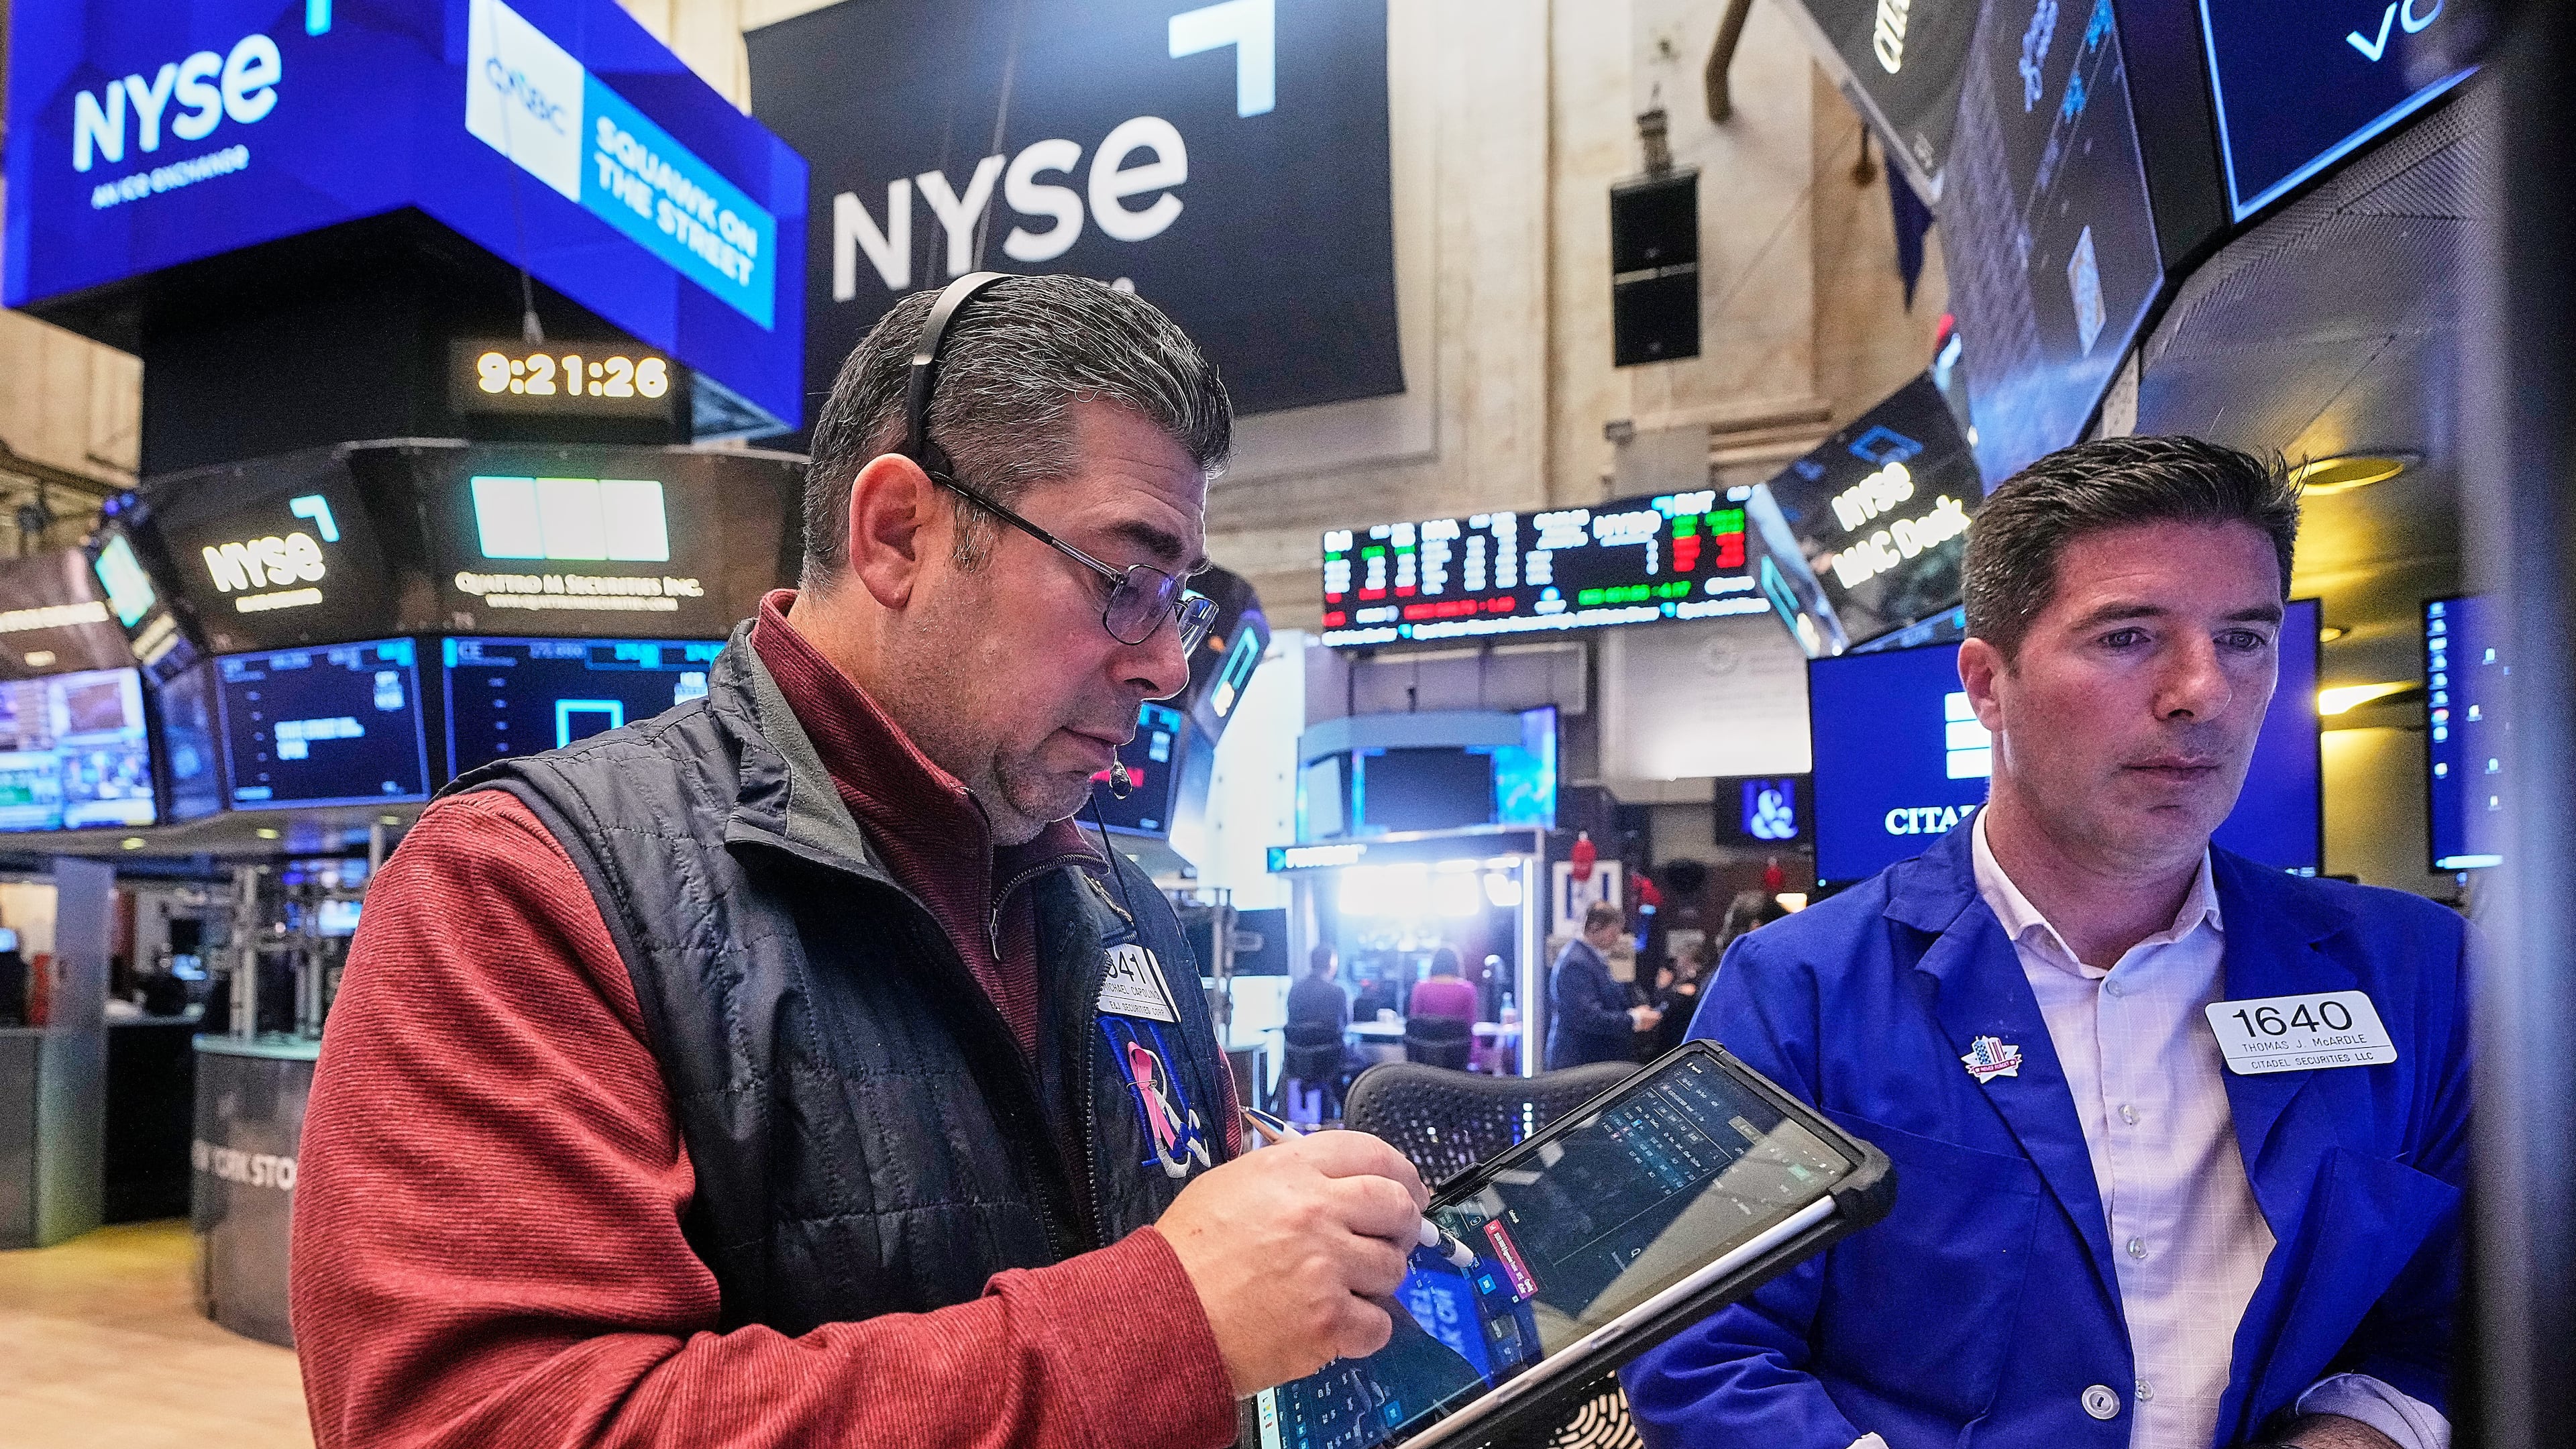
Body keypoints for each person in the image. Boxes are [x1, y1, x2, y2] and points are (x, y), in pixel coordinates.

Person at [290, 274, 1433, 1449]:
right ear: (898, 533)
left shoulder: (1118, 904)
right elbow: (487, 1424)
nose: (1165, 669)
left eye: (1177, 605)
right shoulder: (521, 890)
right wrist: (1163, 1319)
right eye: (1121, 580)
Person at [1627, 437, 2467, 1449]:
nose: (2202, 691)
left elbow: (2464, 1308)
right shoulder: (1800, 988)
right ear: (1987, 686)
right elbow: (1702, 1350)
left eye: (2244, 638)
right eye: (2128, 638)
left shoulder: (2416, 975)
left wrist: (2359, 1433)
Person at [1546, 902, 1659, 1068]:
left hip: (1589, 1058)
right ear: (1595, 927)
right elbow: (1588, 1017)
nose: (1617, 938)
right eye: (1613, 932)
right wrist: (1634, 1018)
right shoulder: (1577, 963)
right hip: (1578, 1061)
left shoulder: (1588, 958)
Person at [1287, 942, 1352, 1034]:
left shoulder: (1295, 989)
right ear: (1331, 963)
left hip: (1296, 1047)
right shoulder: (1338, 991)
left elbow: (1293, 1019)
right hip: (1330, 1047)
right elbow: (1346, 1023)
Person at [1407, 946, 1479, 1023]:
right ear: (1456, 964)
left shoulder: (1421, 988)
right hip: (1458, 1035)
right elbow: (1470, 1021)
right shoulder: (1467, 989)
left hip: (1428, 1035)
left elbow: (1415, 1018)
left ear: (1434, 964)